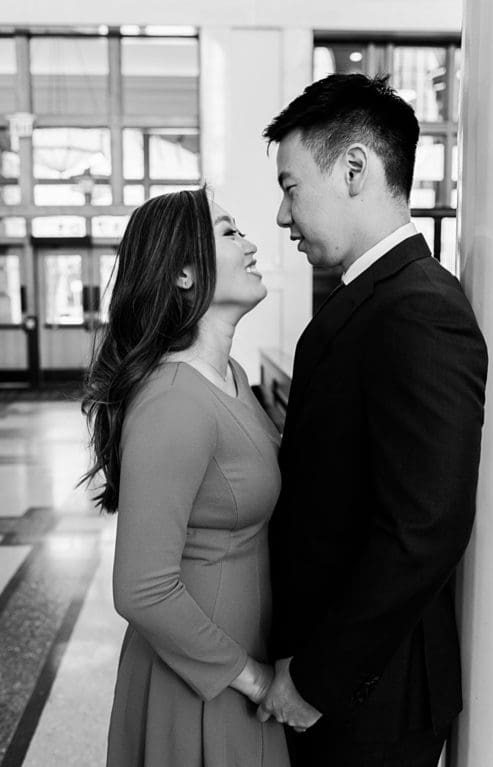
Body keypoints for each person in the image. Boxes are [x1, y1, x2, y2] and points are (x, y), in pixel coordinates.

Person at [260, 74, 488, 766]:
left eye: (291, 185)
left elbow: (425, 525)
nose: (280, 214)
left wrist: (316, 677)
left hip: (369, 699)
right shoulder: (373, 298)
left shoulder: (419, 307)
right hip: (353, 691)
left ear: (354, 167)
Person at [81, 189, 290, 766]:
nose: (251, 245)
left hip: (237, 660)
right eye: (229, 233)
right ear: (182, 272)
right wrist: (252, 679)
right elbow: (142, 589)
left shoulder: (233, 376)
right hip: (202, 679)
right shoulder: (175, 399)